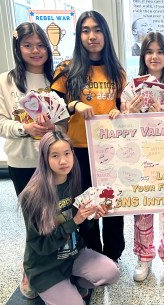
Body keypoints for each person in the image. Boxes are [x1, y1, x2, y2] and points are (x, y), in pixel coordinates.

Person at [0, 21, 66, 299]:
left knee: (58, 217)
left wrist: (56, 130)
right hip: (23, 164)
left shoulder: (57, 80)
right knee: (35, 222)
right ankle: (31, 270)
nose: (36, 50)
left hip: (57, 164)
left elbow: (67, 121)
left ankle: (57, 266)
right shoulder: (4, 82)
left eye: (41, 45)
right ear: (18, 48)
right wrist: (25, 129)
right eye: (28, 45)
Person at [51, 11, 127, 262]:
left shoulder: (117, 71)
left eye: (97, 30)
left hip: (111, 149)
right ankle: (92, 253)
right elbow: (52, 105)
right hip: (78, 149)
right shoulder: (66, 69)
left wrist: (120, 111)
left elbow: (124, 106)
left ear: (106, 34)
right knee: (85, 203)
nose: (92, 36)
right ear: (79, 35)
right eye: (85, 30)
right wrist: (75, 105)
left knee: (112, 203)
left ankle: (113, 255)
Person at [19, 131, 120, 305]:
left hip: (72, 255)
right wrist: (74, 222)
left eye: (67, 153)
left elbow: (81, 227)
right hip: (45, 266)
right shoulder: (32, 195)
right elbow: (40, 246)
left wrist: (93, 217)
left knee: (112, 272)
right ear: (44, 159)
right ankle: (32, 280)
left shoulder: (74, 182)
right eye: (55, 155)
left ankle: (73, 281)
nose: (63, 161)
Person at [121, 32, 164, 282]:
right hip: (141, 160)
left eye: (160, 51)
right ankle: (144, 257)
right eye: (149, 51)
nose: (154, 56)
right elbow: (120, 129)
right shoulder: (131, 88)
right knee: (142, 210)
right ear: (143, 56)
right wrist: (130, 112)